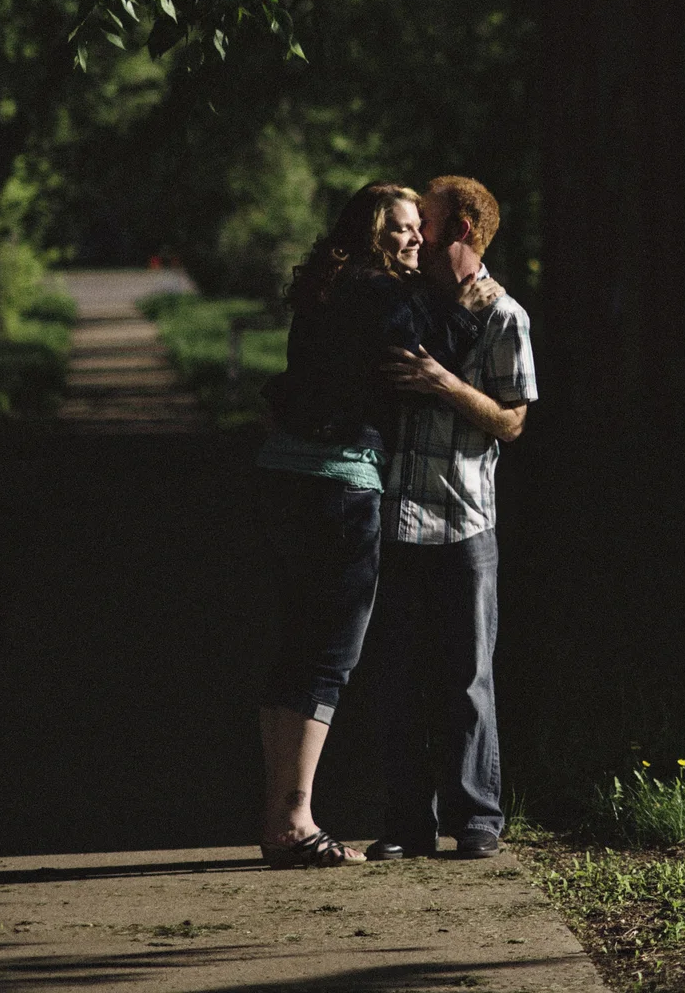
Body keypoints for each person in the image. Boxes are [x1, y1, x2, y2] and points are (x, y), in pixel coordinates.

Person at [253, 182, 495, 868]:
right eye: (401, 228)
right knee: (329, 654)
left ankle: (277, 816)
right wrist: (470, 303)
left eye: (420, 227)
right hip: (340, 486)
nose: (416, 238)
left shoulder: (327, 290)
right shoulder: (384, 294)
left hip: (285, 476)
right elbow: (440, 348)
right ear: (369, 234)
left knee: (295, 646)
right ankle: (296, 822)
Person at [361, 174, 537, 861]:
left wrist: (444, 383)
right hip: (397, 520)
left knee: (467, 678)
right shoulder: (406, 303)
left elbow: (513, 422)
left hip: (465, 524)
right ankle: (406, 824)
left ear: (460, 228)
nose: (416, 235)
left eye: (426, 222)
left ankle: (477, 821)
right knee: (398, 676)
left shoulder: (502, 315)